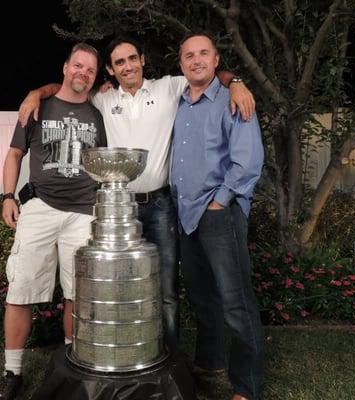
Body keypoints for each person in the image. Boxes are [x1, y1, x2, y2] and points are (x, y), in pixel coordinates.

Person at [17, 36, 255, 350]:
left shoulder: (169, 88)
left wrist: (236, 82)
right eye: (119, 62)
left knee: (166, 289)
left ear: (142, 60)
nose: (127, 66)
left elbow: (207, 74)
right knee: (120, 286)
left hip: (160, 206)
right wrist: (36, 93)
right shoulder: (101, 99)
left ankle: (167, 357)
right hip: (118, 207)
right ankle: (130, 351)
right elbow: (68, 86)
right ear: (111, 72)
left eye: (132, 58)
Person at [0, 43, 107, 400]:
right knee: (20, 290)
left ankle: (73, 363)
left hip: (82, 212)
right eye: (78, 66)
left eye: (90, 70)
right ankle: (12, 373)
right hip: (40, 207)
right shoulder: (38, 106)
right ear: (64, 67)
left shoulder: (96, 117)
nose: (83, 73)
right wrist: (8, 196)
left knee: (79, 294)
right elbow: (14, 154)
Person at [171, 33, 264, 400]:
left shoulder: (232, 100)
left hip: (218, 213)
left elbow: (248, 161)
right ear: (181, 65)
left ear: (216, 60)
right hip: (186, 215)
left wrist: (220, 202)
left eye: (203, 54)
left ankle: (248, 385)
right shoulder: (177, 103)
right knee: (201, 297)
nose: (196, 60)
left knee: (236, 301)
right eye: (189, 56)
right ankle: (210, 362)